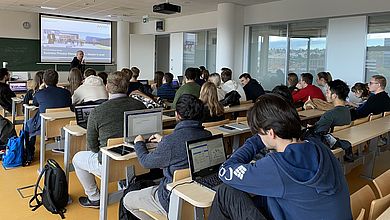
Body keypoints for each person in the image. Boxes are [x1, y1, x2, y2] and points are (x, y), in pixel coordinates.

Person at [208, 94, 352, 220]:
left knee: (226, 192)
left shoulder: (278, 165)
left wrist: (256, 141)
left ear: (270, 133)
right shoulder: (320, 147)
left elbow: (225, 170)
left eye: (258, 132)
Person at [123, 94, 212, 218]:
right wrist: (164, 140)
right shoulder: (207, 134)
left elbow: (145, 162)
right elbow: (182, 142)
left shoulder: (170, 142)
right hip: (197, 192)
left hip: (171, 199)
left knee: (127, 199)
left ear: (177, 115)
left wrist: (138, 143)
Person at [72, 71, 146, 208]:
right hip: (139, 163)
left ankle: (94, 197)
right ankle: (125, 184)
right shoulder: (140, 105)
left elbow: (93, 147)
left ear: (107, 87)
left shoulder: (97, 112)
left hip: (109, 165)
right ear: (127, 87)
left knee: (77, 158)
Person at [25, 69, 72, 165]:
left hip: (45, 127)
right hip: (65, 127)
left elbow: (34, 104)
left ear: (44, 81)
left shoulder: (40, 93)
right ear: (57, 80)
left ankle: (29, 155)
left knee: (27, 126)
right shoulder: (66, 93)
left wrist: (41, 88)